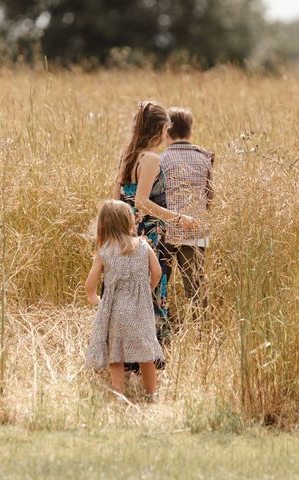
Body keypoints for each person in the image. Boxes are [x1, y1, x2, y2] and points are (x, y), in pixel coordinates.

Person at [113, 100, 196, 359]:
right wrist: (178, 217)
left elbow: (117, 198)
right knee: (151, 287)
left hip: (125, 233)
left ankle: (127, 349)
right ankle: (149, 352)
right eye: (164, 129)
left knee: (129, 290)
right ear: (159, 129)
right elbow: (142, 202)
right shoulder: (150, 159)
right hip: (148, 235)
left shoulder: (127, 157)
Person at [85, 200, 164, 399]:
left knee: (116, 355)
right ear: (129, 221)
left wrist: (98, 301)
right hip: (141, 309)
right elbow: (157, 271)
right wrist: (148, 288)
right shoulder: (144, 246)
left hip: (116, 312)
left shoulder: (104, 252)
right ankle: (150, 394)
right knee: (146, 354)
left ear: (103, 225)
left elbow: (90, 286)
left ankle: (119, 395)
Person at [160, 107, 214, 319]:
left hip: (167, 230)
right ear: (190, 132)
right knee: (196, 287)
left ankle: (162, 325)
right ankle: (201, 331)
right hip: (197, 231)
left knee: (160, 284)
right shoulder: (205, 158)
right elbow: (210, 195)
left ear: (166, 132)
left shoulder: (161, 159)